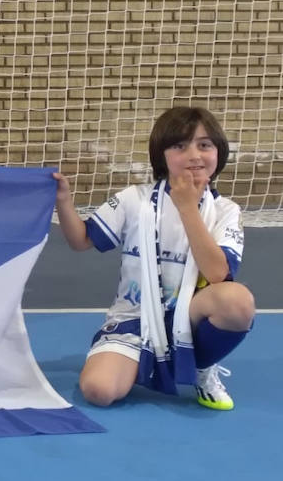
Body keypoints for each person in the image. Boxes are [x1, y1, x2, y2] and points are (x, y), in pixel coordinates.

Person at [53, 106, 254, 410]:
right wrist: (64, 202)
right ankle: (139, 358)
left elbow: (216, 274)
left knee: (237, 302)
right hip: (134, 319)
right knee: (99, 391)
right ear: (162, 155)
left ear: (219, 152)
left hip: (189, 318)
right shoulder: (136, 199)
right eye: (179, 145)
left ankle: (200, 366)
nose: (193, 154)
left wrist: (188, 207)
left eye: (204, 144)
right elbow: (81, 240)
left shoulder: (226, 211)